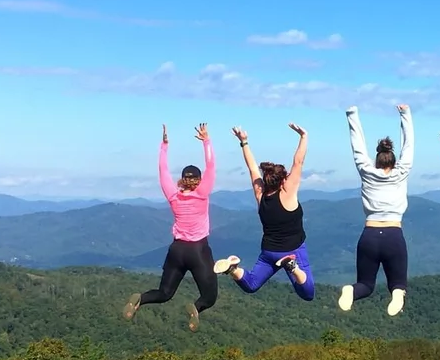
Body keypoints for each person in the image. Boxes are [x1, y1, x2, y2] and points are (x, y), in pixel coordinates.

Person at [123, 123, 218, 331]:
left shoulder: (173, 195)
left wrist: (164, 146)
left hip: (176, 250)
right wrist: (206, 141)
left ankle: (140, 299)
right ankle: (196, 307)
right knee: (209, 296)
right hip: (198, 250)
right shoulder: (202, 193)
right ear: (199, 181)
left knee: (164, 293)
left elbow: (162, 171)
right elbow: (211, 166)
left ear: (182, 180)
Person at [213, 123, 315, 301]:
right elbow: (298, 162)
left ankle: (232, 269)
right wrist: (304, 137)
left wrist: (244, 142)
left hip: (269, 251)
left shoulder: (261, 195)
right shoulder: (288, 191)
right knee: (307, 293)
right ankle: (292, 266)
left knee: (251, 284)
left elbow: (252, 168)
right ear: (283, 180)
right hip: (293, 248)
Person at [338, 104, 414, 316]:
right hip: (393, 235)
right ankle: (398, 295)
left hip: (369, 236)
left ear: (376, 159)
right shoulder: (401, 172)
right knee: (398, 284)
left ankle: (350, 292)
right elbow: (409, 146)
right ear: (393, 159)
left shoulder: (366, 171)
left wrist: (352, 115)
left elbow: (358, 147)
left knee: (365, 285)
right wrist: (405, 114)